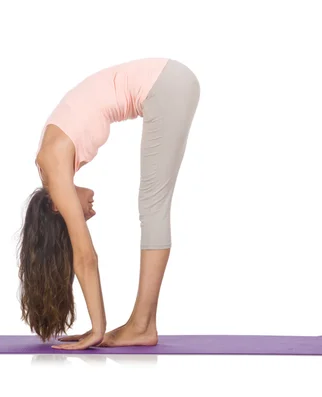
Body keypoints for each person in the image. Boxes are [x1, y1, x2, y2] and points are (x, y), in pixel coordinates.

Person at [17, 57, 200, 350]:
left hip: (166, 84)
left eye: (76, 214)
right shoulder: (51, 158)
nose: (88, 212)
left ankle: (141, 326)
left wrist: (97, 330)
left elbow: (85, 257)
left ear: (56, 208)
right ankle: (143, 323)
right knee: (153, 204)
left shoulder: (53, 168)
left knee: (153, 205)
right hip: (168, 83)